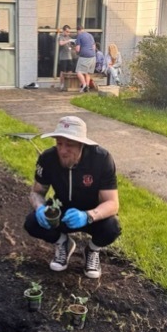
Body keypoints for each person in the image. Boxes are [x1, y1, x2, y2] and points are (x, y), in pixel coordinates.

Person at [24, 116, 120, 279]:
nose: (62, 150)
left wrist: (88, 216)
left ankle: (92, 250)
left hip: (91, 213)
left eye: (70, 145)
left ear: (82, 144)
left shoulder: (101, 159)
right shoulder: (48, 158)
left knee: (112, 227)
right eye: (59, 143)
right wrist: (40, 208)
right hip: (61, 211)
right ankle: (63, 243)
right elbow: (36, 192)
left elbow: (112, 203)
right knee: (32, 223)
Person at [74, 25, 96, 93]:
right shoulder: (90, 35)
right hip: (93, 56)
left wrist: (74, 49)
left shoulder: (79, 36)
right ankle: (87, 87)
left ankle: (84, 85)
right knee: (88, 73)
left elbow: (77, 49)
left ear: (78, 31)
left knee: (78, 72)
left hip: (84, 56)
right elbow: (94, 47)